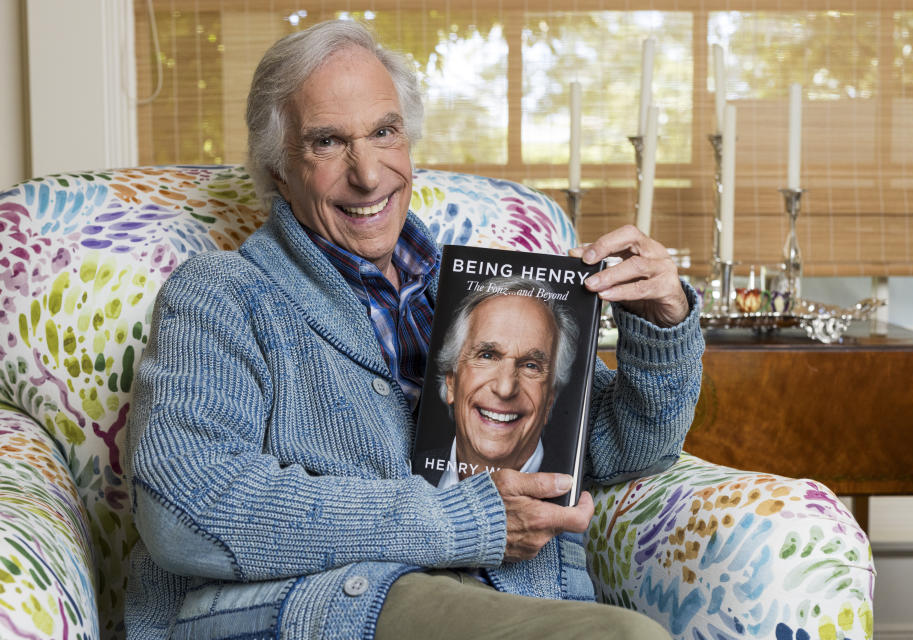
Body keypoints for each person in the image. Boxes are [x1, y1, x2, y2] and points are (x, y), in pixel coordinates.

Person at [125, 19, 704, 640]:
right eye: (327, 143)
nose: (369, 175)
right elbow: (182, 509)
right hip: (329, 613)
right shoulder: (220, 295)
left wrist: (661, 325)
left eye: (384, 132)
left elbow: (623, 447)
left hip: (505, 605)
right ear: (277, 171)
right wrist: (464, 523)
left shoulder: (483, 295)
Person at [420, 276, 578, 487]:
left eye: (530, 365)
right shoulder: (407, 474)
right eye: (487, 355)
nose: (505, 389)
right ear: (451, 381)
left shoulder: (572, 479)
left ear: (550, 397)